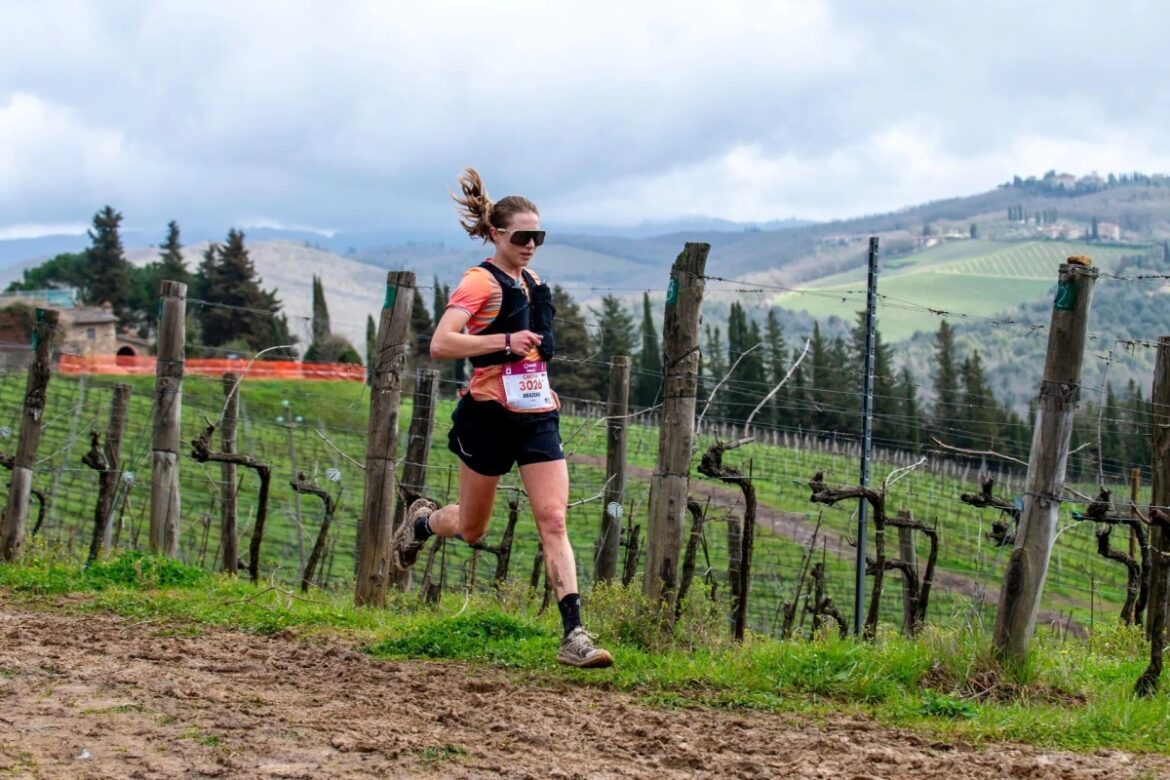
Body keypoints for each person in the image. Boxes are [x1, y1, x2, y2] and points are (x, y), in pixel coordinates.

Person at [391, 167, 613, 669]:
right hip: (487, 416)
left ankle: (574, 635)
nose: (532, 244)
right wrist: (503, 342)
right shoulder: (479, 282)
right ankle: (423, 522)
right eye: (522, 236)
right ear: (496, 234)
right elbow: (441, 343)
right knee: (471, 528)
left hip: (536, 416)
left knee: (554, 520)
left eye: (539, 236)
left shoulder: (533, 283)